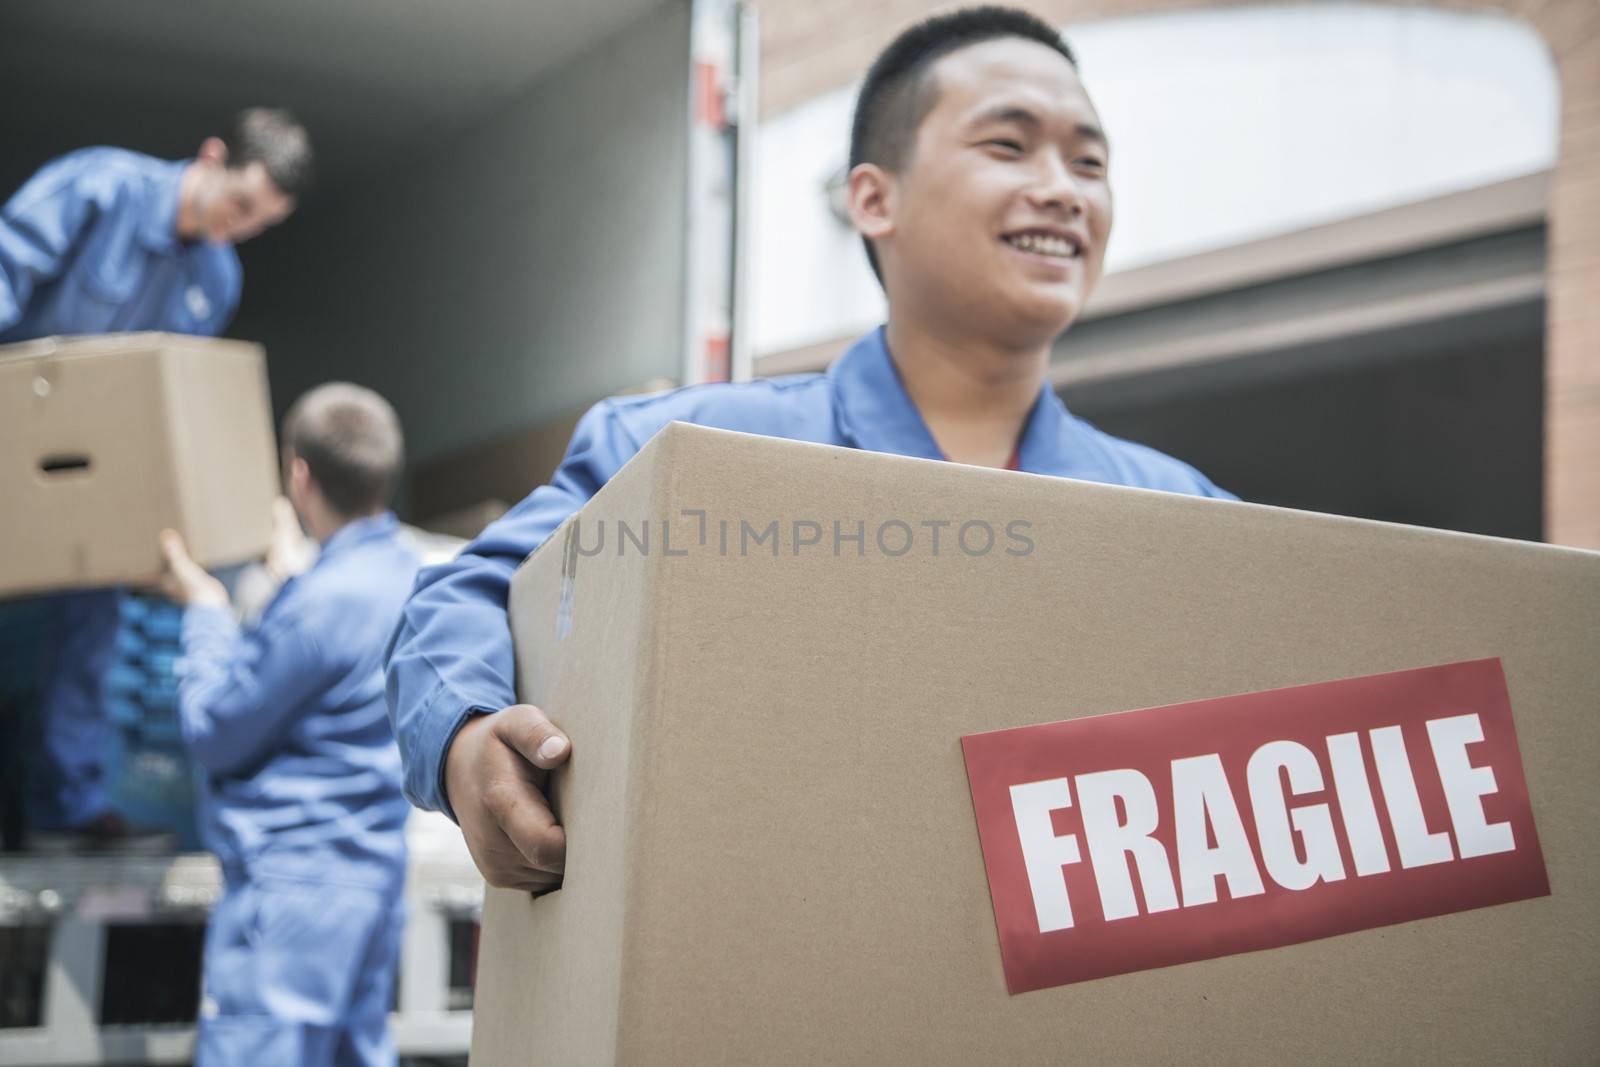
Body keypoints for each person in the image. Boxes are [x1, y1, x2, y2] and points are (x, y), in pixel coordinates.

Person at [385, 5, 1238, 892]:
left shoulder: (1191, 518)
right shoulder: (679, 455)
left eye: (1089, 161)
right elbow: (461, 595)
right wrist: (467, 737)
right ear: (873, 198)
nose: (1064, 188)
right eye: (1009, 146)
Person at [0, 108, 311, 844]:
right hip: (15, 434)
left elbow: (168, 392)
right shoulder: (100, 186)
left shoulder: (216, 275)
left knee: (94, 623)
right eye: (240, 205)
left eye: (259, 223)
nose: (240, 228)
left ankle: (67, 811)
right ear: (210, 157)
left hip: (99, 467)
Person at [159, 383, 417, 1067]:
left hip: (294, 890)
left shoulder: (318, 604)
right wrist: (294, 581)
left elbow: (216, 728)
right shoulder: (410, 579)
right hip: (375, 881)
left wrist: (208, 610)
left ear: (298, 473)